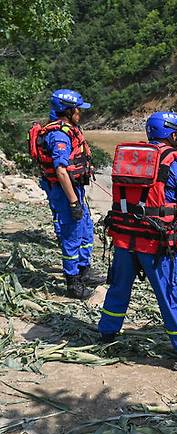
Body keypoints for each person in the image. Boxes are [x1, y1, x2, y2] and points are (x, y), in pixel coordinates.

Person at [98, 111, 177, 371]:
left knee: (119, 289)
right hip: (156, 244)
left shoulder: (133, 157)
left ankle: (107, 335)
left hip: (124, 238)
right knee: (170, 296)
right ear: (173, 134)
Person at [32, 89, 95, 299]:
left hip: (74, 187)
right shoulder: (58, 135)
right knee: (72, 234)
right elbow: (60, 170)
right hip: (63, 191)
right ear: (67, 111)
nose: (80, 113)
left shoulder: (69, 129)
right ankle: (72, 282)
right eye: (77, 109)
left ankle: (84, 270)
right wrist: (74, 203)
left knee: (86, 228)